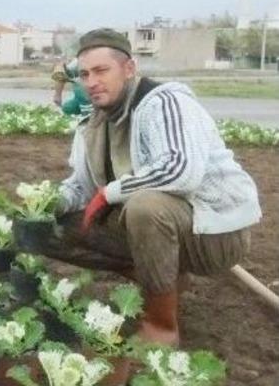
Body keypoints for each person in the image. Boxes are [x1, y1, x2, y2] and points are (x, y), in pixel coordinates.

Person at [29, 28, 261, 346]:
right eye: (84, 74)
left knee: (145, 207)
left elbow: (180, 171)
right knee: (48, 227)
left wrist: (109, 193)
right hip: (157, 230)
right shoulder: (93, 122)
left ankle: (161, 326)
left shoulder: (164, 103)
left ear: (128, 69)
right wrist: (45, 202)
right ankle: (162, 279)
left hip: (214, 233)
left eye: (101, 70)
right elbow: (80, 186)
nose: (92, 81)